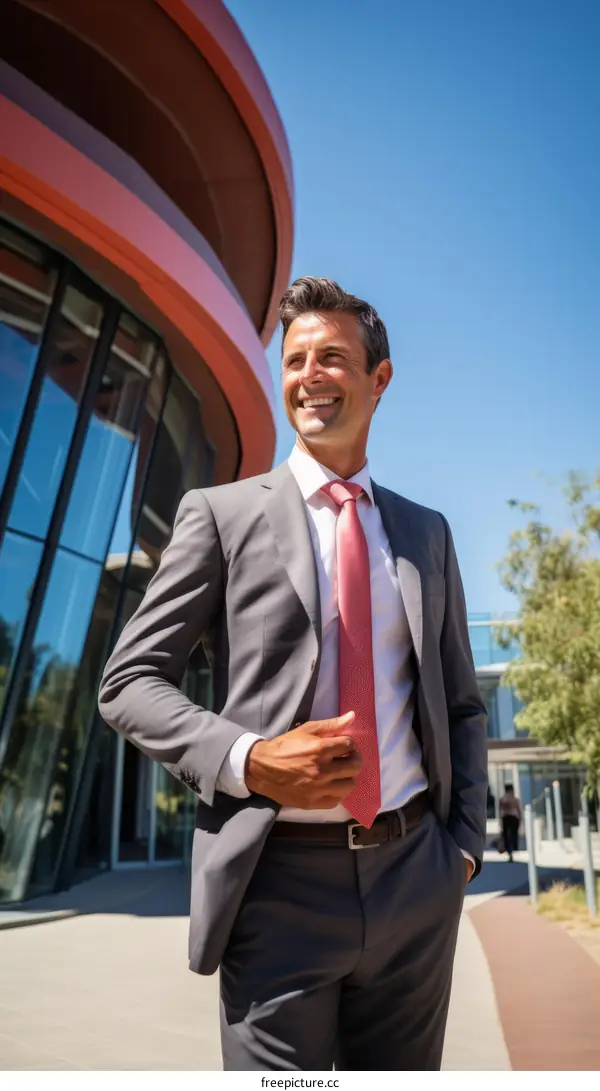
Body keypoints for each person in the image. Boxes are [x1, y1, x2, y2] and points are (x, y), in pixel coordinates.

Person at [98, 277, 488, 1071]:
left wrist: (463, 850)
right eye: (296, 359)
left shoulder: (425, 532)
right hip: (276, 886)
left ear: (379, 379)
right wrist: (250, 759)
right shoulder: (222, 514)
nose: (309, 374)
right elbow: (129, 681)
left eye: (333, 357)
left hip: (416, 875)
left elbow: (462, 704)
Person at [499, 784, 522, 861]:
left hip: (506, 818)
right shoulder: (515, 799)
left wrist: (500, 821)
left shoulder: (503, 799)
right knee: (513, 834)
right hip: (514, 817)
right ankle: (513, 849)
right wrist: (520, 819)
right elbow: (518, 810)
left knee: (506, 835)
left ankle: (509, 850)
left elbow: (500, 811)